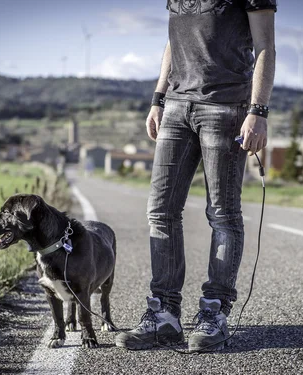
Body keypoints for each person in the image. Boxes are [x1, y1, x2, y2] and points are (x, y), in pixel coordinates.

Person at [115, 0, 277, 352]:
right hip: (175, 106)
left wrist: (258, 111)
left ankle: (215, 312)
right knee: (160, 211)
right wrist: (158, 98)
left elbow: (265, 46)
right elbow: (175, 42)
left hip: (225, 107)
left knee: (222, 214)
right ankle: (164, 316)